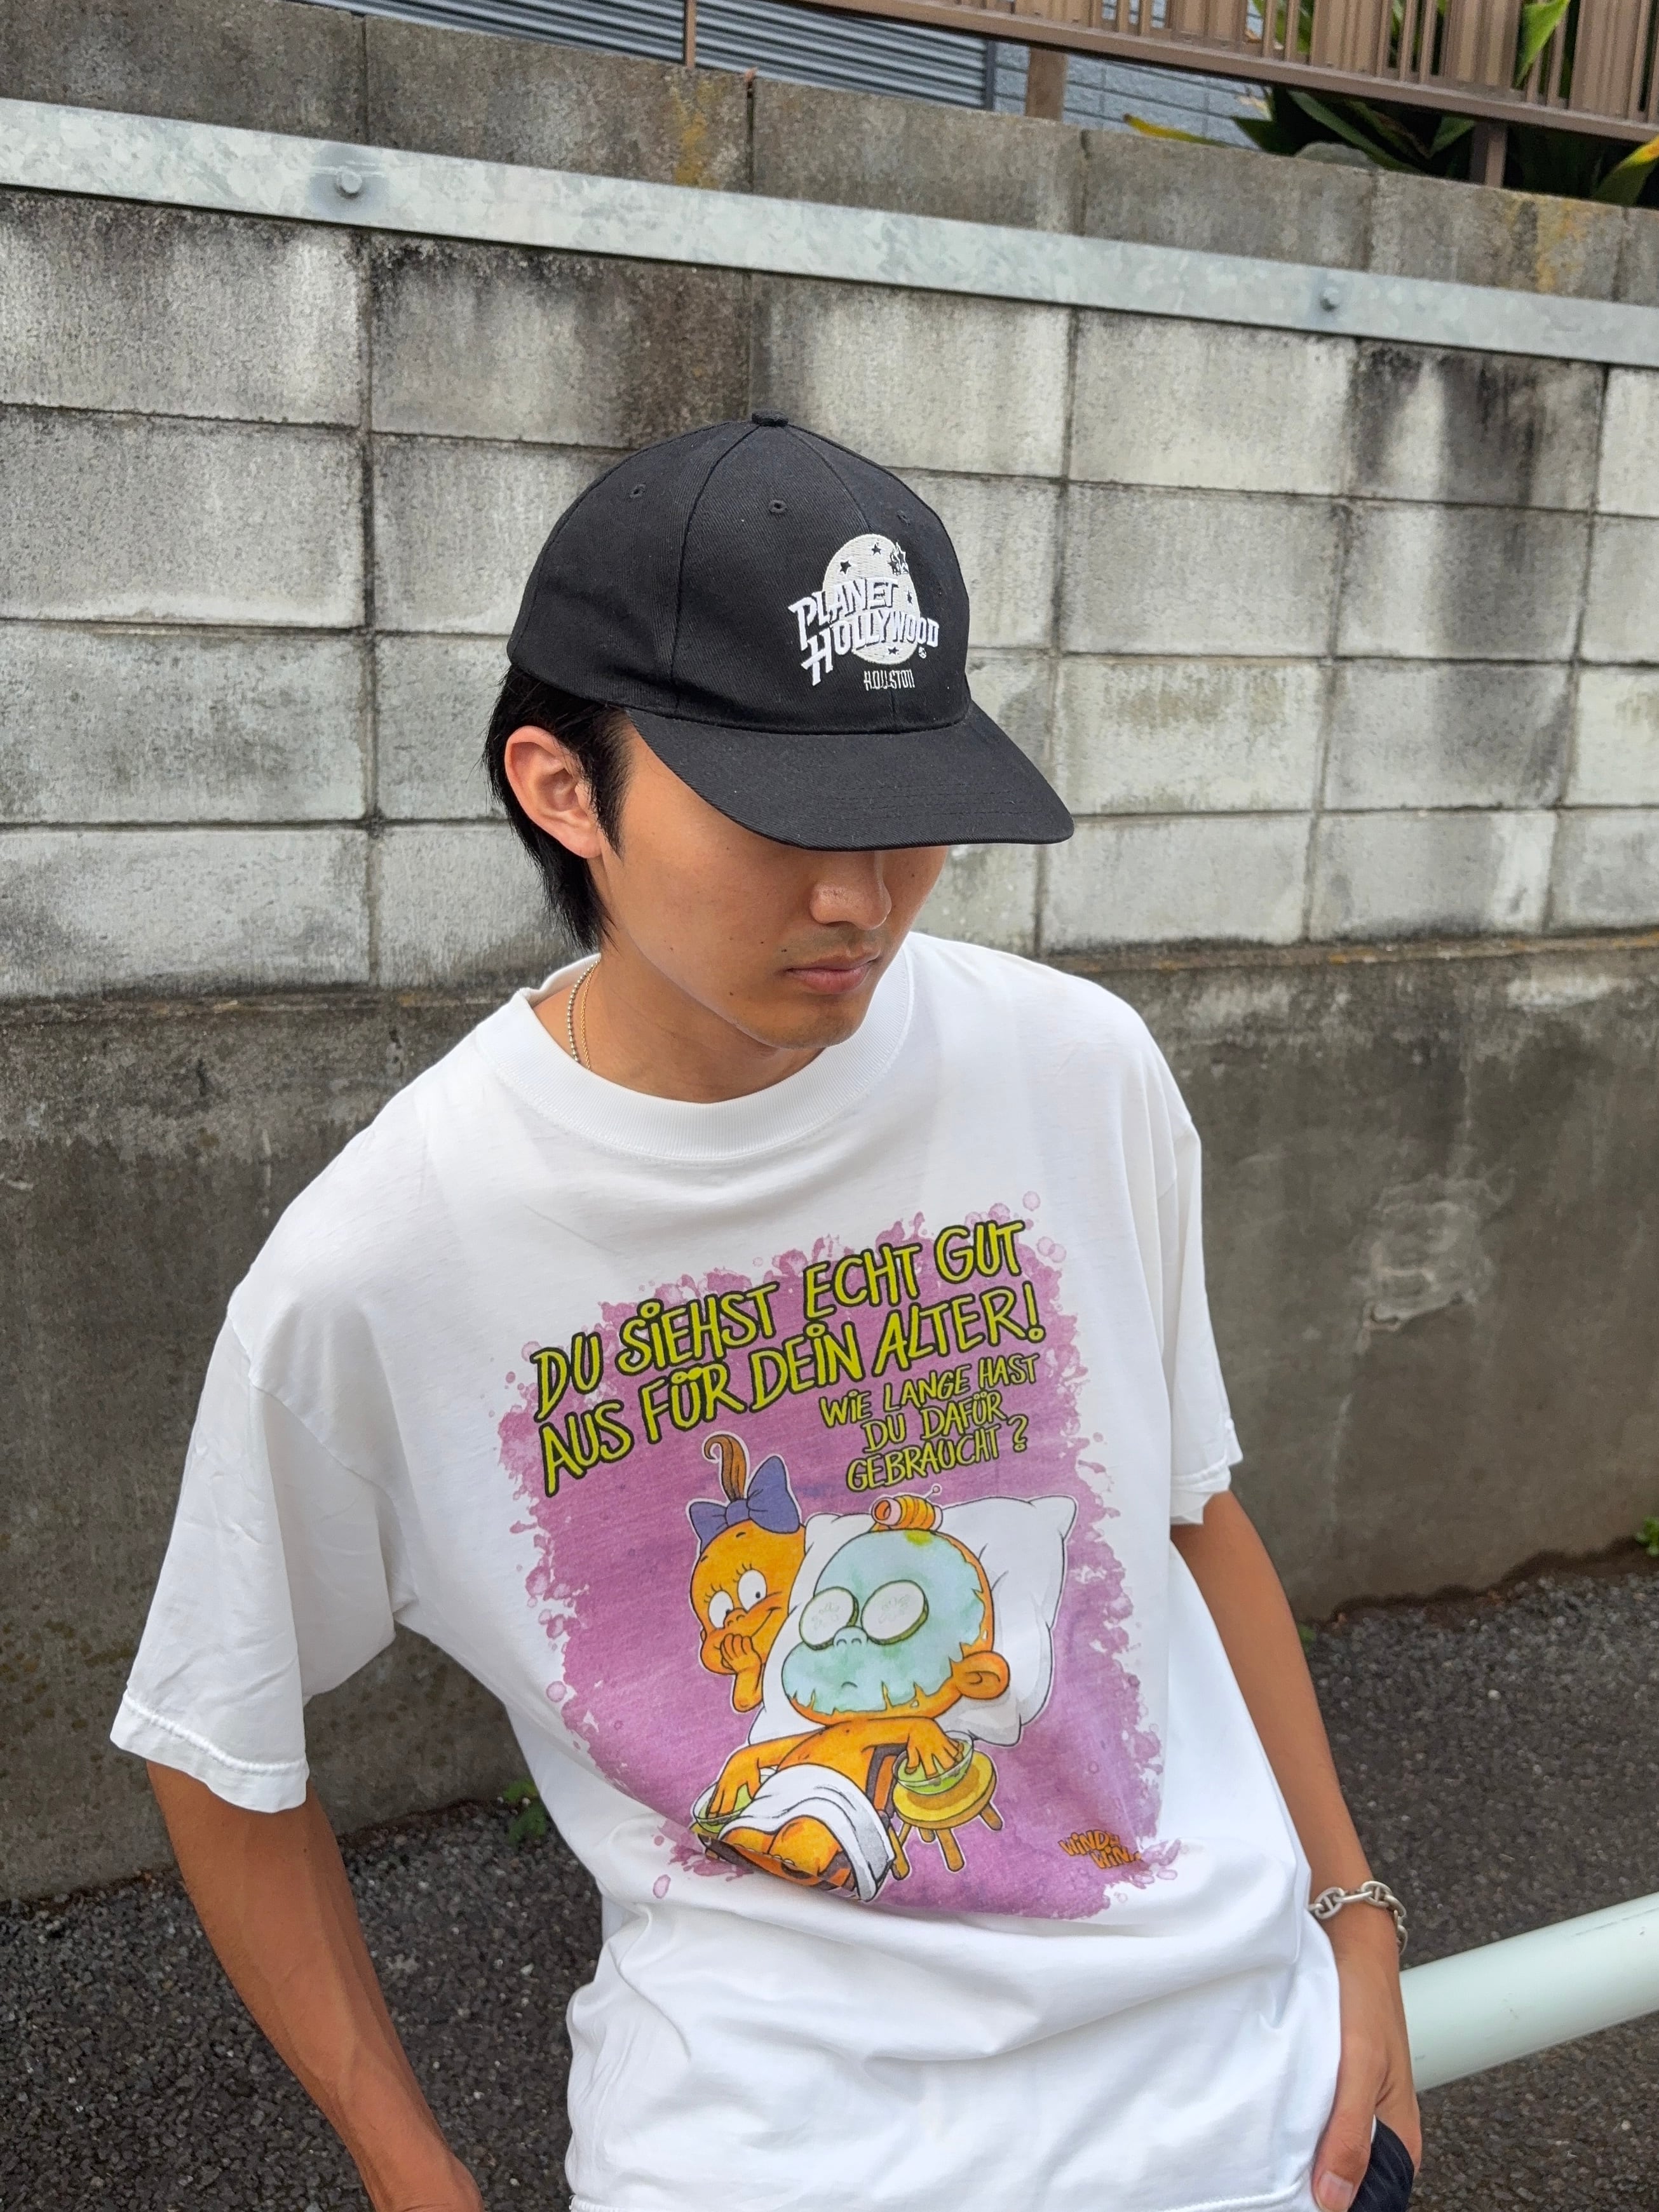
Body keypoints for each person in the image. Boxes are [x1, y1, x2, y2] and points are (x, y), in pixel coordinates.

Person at [114, 413, 1419, 2212]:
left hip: (1253, 2122)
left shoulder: (1075, 1068)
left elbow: (1190, 1515)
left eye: (904, 813)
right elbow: (219, 1738)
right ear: (564, 791)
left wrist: (1356, 1915)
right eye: (777, 818)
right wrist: (415, 2175)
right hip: (777, 2155)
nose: (855, 899)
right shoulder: (390, 1253)